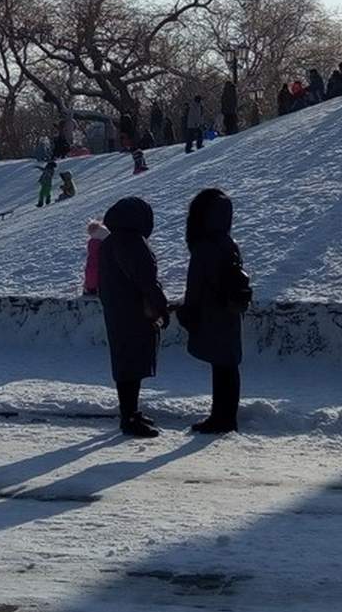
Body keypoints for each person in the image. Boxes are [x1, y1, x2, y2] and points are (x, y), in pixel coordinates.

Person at [178, 187, 253, 435]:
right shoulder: (228, 242)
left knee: (221, 366)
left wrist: (188, 313)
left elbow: (195, 284)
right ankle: (225, 416)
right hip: (229, 311)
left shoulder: (204, 245)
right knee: (227, 365)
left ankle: (221, 418)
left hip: (211, 312)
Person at [95, 196, 170, 438]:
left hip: (117, 310)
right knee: (133, 364)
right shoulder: (133, 242)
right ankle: (129, 417)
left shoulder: (110, 241)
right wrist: (161, 307)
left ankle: (130, 412)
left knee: (125, 362)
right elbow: (146, 280)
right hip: (134, 312)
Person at [83, 219, 108, 296]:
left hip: (93, 278)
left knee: (92, 271)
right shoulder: (104, 237)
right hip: (102, 277)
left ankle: (90, 288)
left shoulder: (93, 242)